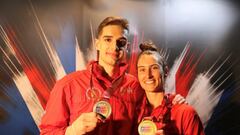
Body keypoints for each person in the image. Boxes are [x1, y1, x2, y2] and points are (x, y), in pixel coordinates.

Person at [39, 16, 185, 135]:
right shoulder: (68, 85)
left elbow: (149, 117)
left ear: (127, 47)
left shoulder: (136, 86)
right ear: (97, 44)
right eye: (108, 39)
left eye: (121, 42)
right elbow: (46, 132)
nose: (114, 47)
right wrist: (71, 131)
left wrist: (173, 102)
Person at [136, 41, 205, 135]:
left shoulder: (185, 113)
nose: (148, 75)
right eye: (142, 69)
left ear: (165, 71)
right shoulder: (132, 114)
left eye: (154, 68)